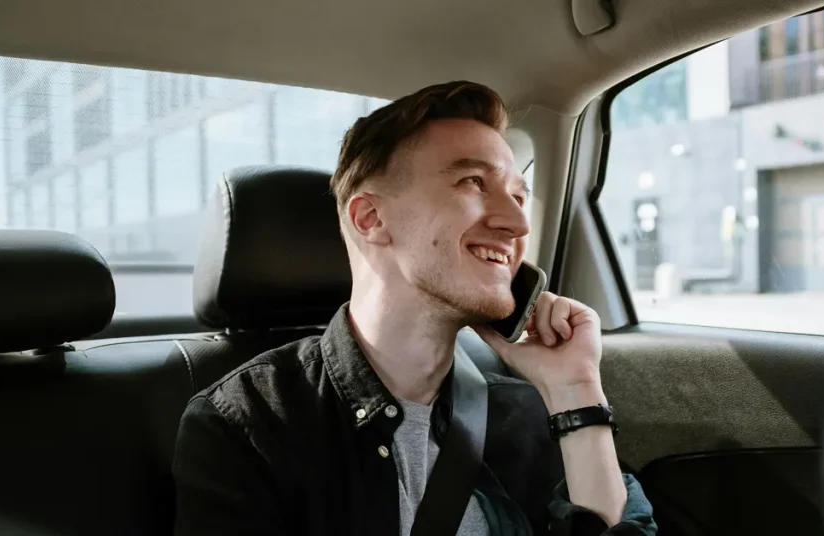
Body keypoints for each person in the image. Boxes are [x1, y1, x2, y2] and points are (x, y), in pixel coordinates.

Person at [171, 81, 657, 535]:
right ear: (371, 218)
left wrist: (575, 392)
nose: (515, 223)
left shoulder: (530, 412)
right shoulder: (249, 424)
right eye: (472, 182)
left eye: (517, 196)